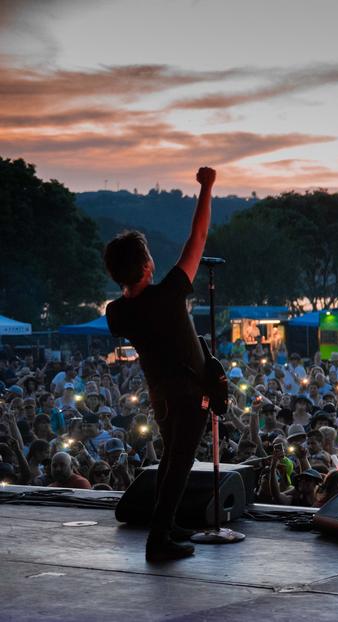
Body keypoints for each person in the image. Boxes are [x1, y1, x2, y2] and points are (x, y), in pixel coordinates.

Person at [103, 167, 216, 562]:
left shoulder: (116, 312)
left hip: (162, 394)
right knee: (180, 462)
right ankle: (159, 540)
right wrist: (206, 187)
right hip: (188, 394)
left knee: (171, 456)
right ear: (148, 266)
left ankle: (166, 526)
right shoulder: (167, 296)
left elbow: (129, 301)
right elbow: (198, 238)